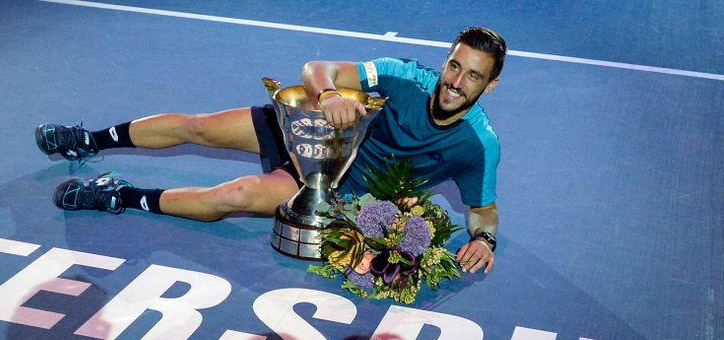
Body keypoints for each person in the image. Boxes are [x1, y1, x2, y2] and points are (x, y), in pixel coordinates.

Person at [36, 27, 506, 274]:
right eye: (454, 66)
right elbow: (316, 66)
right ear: (445, 60)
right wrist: (329, 96)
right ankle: (88, 140)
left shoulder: (478, 144)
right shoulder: (401, 75)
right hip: (308, 129)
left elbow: (483, 210)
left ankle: (120, 195)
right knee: (199, 127)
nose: (455, 82)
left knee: (233, 196)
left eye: (472, 76)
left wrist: (483, 240)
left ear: (491, 84)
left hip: (329, 189)